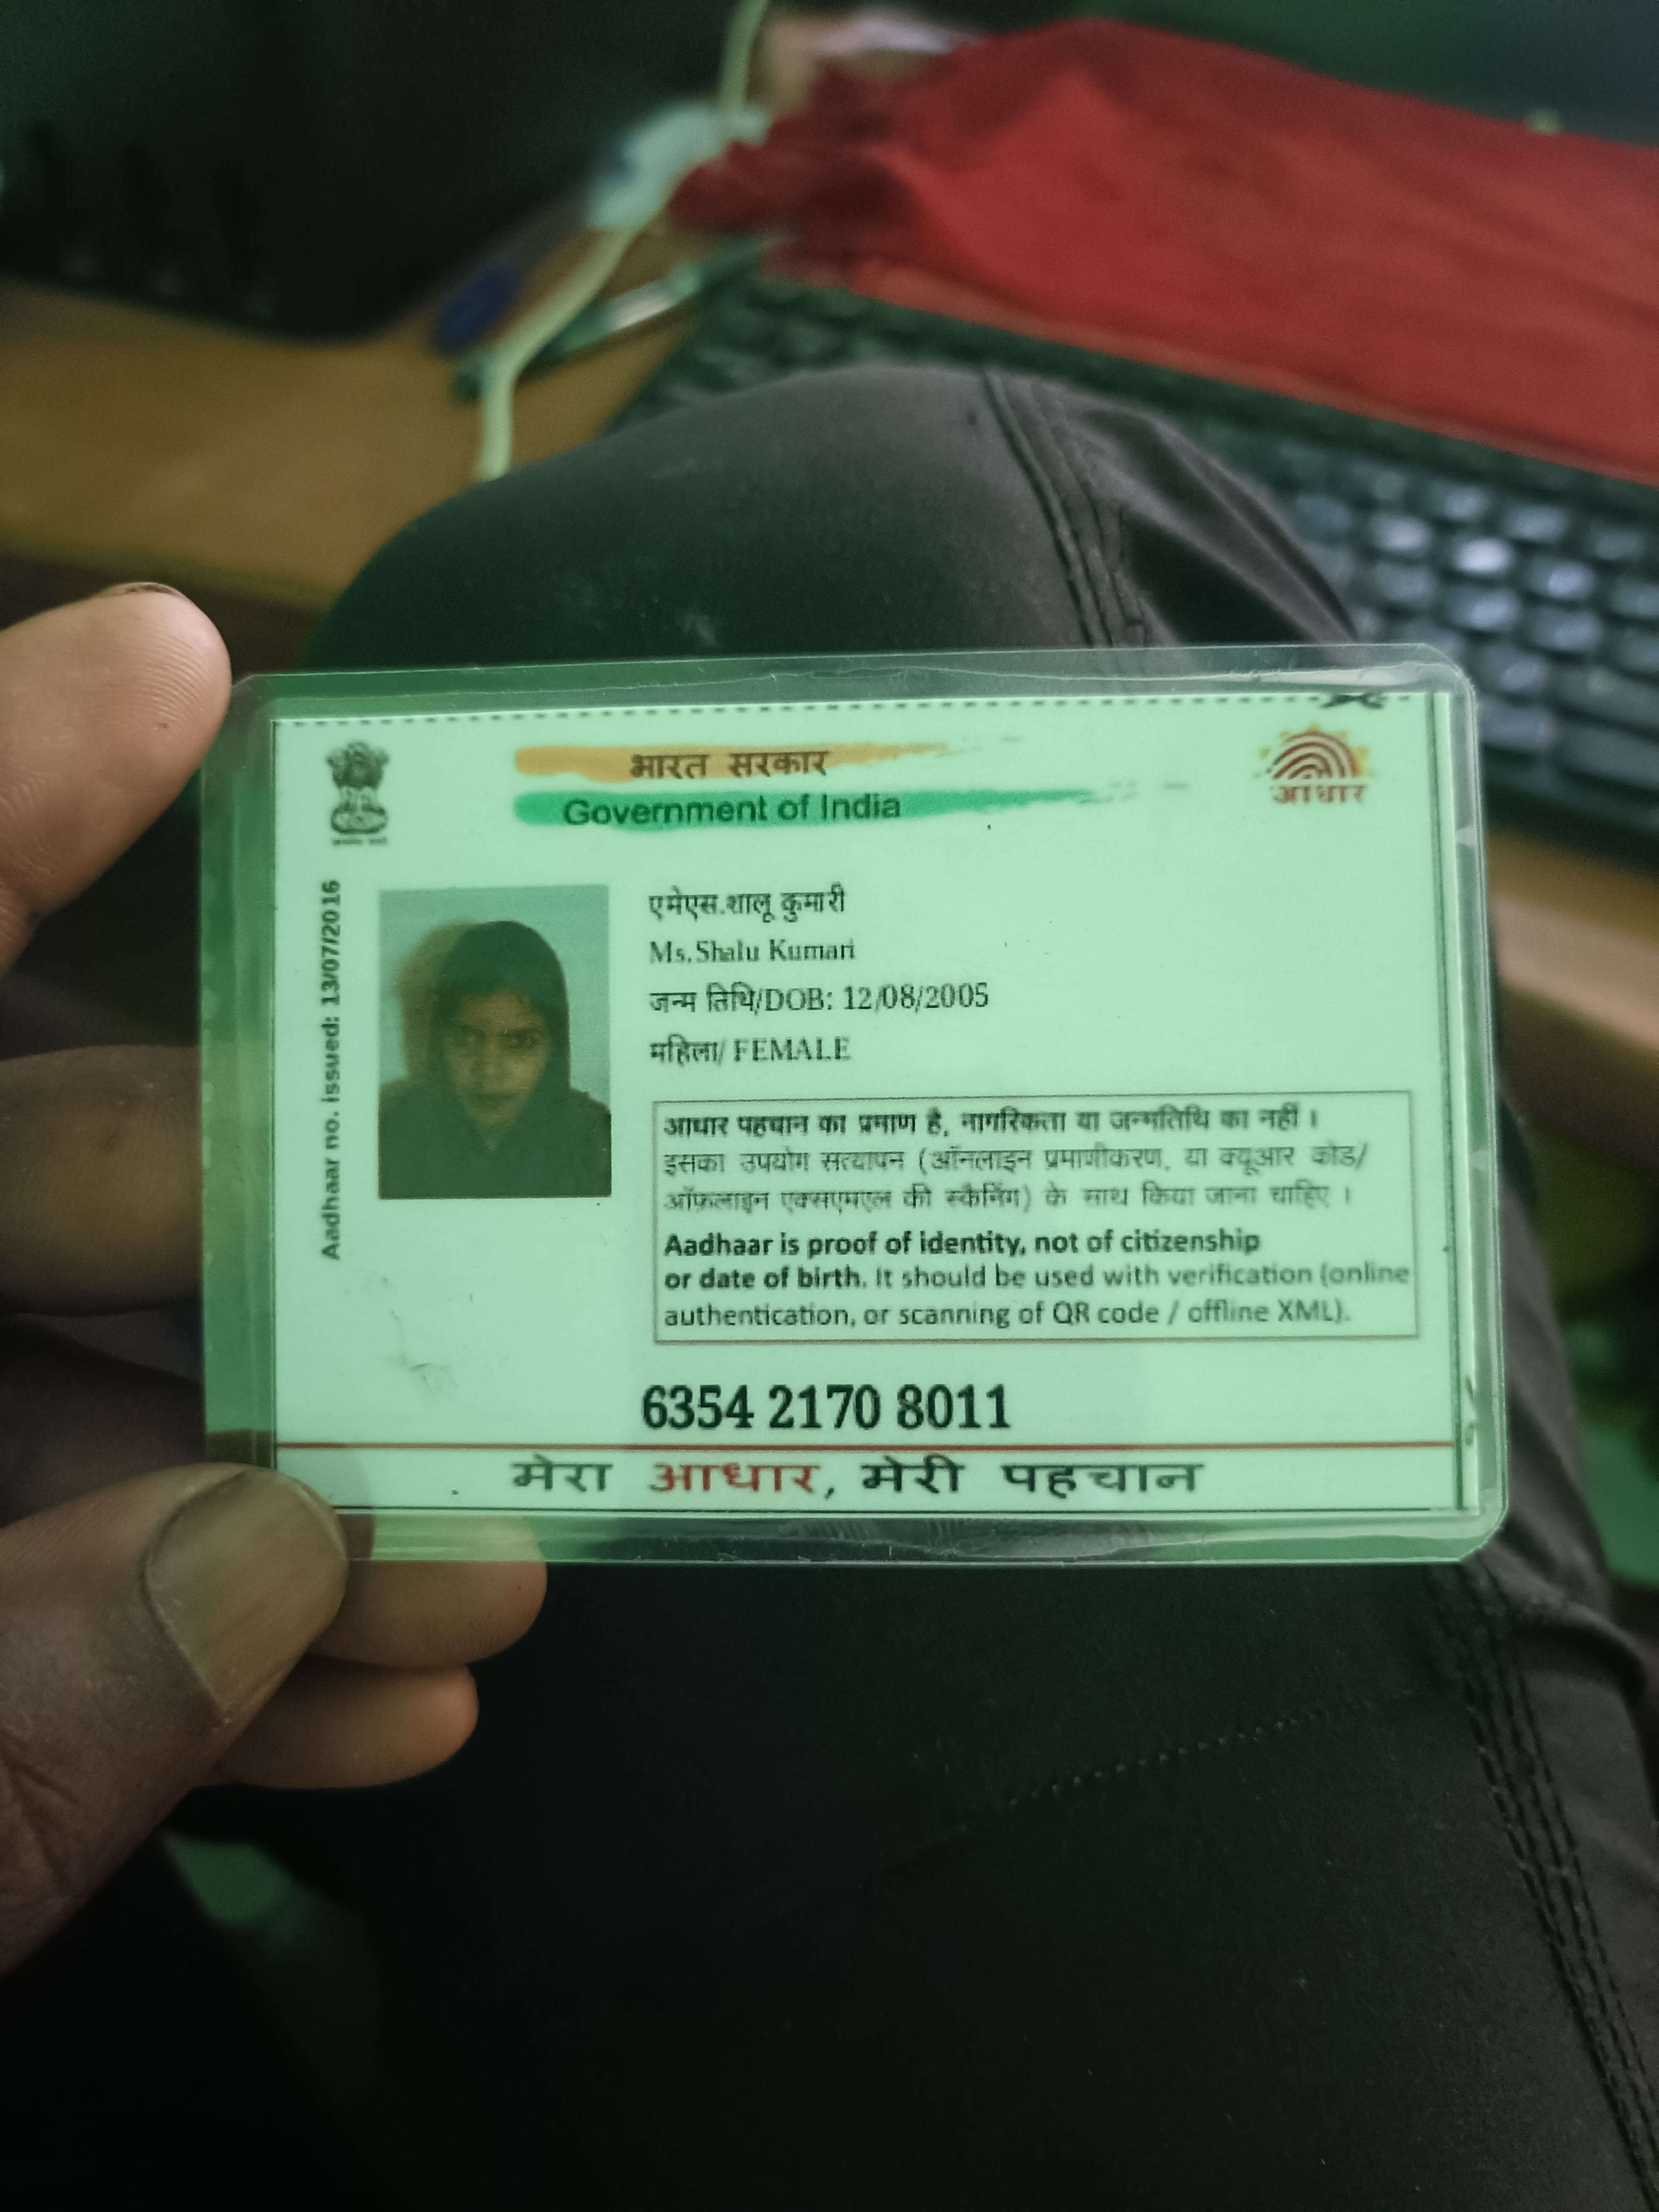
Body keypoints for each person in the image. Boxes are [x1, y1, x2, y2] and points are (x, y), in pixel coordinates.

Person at [4, 365, 1659, 2210]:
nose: (487, 1061)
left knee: (842, 507)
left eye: (516, 1031)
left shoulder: (547, 1150)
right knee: (899, 499)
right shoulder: (412, 1167)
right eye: (465, 1030)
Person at [380, 920, 610, 1199]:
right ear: (439, 1041)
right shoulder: (387, 1137)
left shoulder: (598, 1145)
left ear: (554, 1049)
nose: (489, 1071)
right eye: (466, 1040)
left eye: (519, 1043)